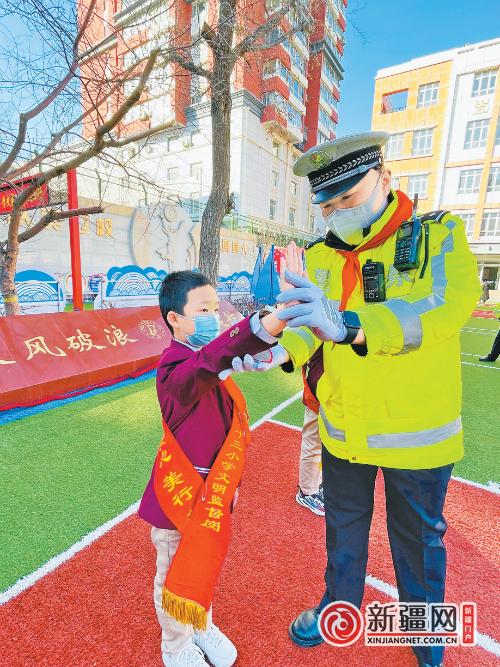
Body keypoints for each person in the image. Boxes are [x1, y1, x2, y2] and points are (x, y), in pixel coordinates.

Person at [231, 132, 481, 667]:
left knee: (417, 543)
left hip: (418, 432)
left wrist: (348, 326)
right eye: (327, 204)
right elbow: (308, 321)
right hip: (344, 426)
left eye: (348, 197)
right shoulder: (322, 253)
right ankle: (337, 605)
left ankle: (425, 635)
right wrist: (279, 354)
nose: (336, 211)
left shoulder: (438, 235)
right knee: (343, 532)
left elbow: (445, 306)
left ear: (385, 180)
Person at [138, 253, 304, 667]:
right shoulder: (173, 369)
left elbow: (219, 354)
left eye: (216, 308)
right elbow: (211, 359)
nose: (214, 316)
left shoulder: (208, 360)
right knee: (173, 572)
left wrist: (272, 322)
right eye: (203, 310)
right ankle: (174, 646)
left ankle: (200, 623)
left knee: (206, 561)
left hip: (216, 490)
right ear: (175, 319)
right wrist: (271, 321)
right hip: (181, 495)